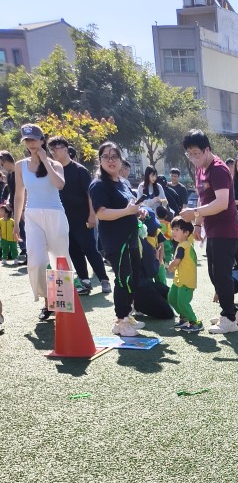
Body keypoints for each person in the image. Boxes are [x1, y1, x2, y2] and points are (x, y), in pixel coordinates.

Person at [180, 130, 238, 335]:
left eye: (196, 153)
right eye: (189, 154)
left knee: (221, 275)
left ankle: (229, 318)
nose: (193, 158)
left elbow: (222, 203)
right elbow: (202, 197)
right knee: (215, 274)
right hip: (212, 230)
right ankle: (232, 312)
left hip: (226, 230)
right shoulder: (200, 169)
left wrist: (195, 213)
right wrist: (198, 224)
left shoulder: (218, 169)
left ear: (207, 150)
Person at [13, 123, 70, 322]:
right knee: (36, 261)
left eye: (34, 139)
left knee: (59, 260)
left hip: (55, 215)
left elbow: (60, 185)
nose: (31, 143)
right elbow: (19, 195)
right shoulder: (20, 165)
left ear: (42, 140)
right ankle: (47, 301)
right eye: (27, 140)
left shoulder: (55, 164)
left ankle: (61, 303)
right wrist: (16, 223)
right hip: (32, 216)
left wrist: (45, 160)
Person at [89, 140, 146, 338]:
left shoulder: (123, 182)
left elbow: (129, 206)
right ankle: (121, 321)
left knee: (133, 278)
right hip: (115, 241)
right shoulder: (98, 184)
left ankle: (127, 315)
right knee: (123, 279)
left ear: (121, 160)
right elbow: (101, 213)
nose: (111, 160)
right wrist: (127, 211)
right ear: (100, 160)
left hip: (131, 238)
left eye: (114, 157)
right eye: (106, 157)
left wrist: (138, 212)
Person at [47, 136, 111, 296]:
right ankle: (84, 281)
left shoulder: (79, 170)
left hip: (82, 217)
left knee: (89, 248)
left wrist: (92, 215)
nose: (54, 152)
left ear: (66, 149)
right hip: (63, 218)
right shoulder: (53, 171)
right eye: (51, 149)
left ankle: (104, 279)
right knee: (73, 250)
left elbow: (89, 194)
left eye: (56, 148)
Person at [165, 215, 201, 332]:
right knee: (172, 298)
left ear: (186, 233)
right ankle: (184, 318)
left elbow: (177, 261)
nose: (173, 232)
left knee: (182, 303)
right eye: (173, 229)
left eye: (177, 230)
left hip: (186, 280)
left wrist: (170, 266)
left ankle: (195, 322)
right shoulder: (182, 245)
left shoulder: (184, 245)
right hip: (179, 279)